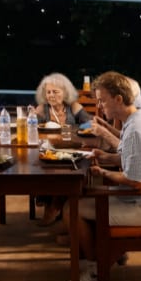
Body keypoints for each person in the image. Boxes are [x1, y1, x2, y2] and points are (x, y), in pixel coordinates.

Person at [66, 71, 141, 281]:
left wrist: (103, 172)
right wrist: (107, 158)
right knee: (85, 196)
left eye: (103, 100)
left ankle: (96, 269)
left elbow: (136, 181)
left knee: (72, 209)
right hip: (140, 198)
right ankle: (105, 254)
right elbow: (134, 160)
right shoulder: (137, 119)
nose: (100, 106)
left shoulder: (136, 130)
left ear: (118, 99)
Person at [33, 72, 92, 226]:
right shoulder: (42, 109)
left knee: (67, 170)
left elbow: (90, 124)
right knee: (45, 168)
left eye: (55, 92)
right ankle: (52, 205)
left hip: (71, 148)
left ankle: (57, 205)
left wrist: (78, 130)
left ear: (65, 93)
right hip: (48, 150)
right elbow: (31, 128)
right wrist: (31, 118)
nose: (51, 95)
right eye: (48, 92)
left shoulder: (74, 107)